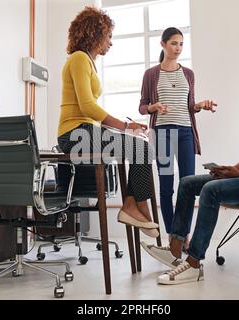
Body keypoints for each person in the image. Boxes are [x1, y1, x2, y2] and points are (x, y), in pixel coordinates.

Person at [142, 67, 239, 284]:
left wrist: (238, 173)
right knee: (188, 183)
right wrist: (229, 171)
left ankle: (194, 263)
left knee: (211, 189)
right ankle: (175, 249)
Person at [57, 6, 159, 238]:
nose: (111, 42)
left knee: (141, 148)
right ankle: (136, 207)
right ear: (96, 33)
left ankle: (133, 205)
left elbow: (88, 111)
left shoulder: (87, 62)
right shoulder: (79, 58)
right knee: (142, 148)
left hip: (83, 130)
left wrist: (125, 128)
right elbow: (87, 107)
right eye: (109, 36)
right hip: (73, 134)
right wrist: (125, 126)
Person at [139, 27, 217, 247]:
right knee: (166, 187)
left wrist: (199, 106)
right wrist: (153, 106)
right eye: (174, 43)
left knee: (189, 185)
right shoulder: (151, 74)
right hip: (163, 134)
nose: (178, 48)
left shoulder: (188, 74)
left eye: (181, 44)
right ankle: (173, 235)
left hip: (185, 133)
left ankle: (184, 235)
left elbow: (190, 105)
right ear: (163, 44)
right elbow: (142, 107)